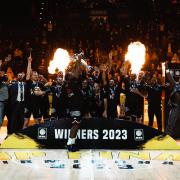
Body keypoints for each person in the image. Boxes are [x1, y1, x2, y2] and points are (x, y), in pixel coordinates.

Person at [165, 64, 180, 136]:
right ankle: (166, 138)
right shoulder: (175, 84)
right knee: (170, 123)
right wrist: (167, 69)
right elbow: (169, 76)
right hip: (175, 107)